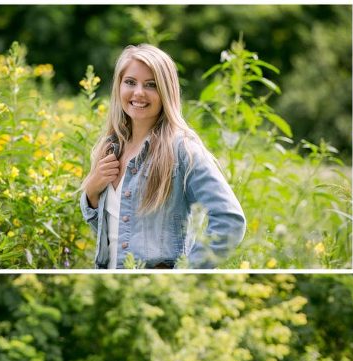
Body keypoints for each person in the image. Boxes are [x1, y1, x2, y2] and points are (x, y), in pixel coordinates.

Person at [80, 44, 246, 269]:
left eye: (151, 85)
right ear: (118, 86)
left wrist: (184, 274)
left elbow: (230, 220)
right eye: (130, 82)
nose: (138, 92)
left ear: (166, 91)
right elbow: (115, 236)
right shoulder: (110, 147)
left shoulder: (182, 150)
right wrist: (91, 190)